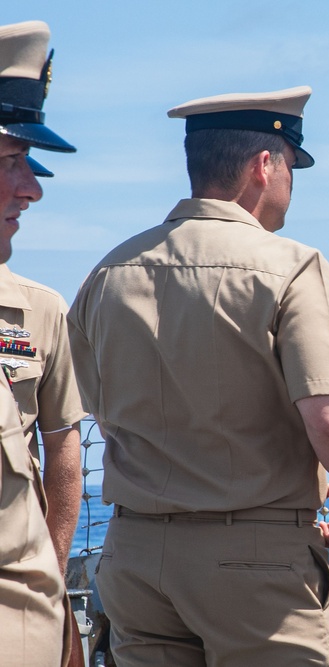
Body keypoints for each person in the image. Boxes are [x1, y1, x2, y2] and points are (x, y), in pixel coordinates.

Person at [67, 87, 329, 667]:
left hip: (135, 557)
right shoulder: (292, 269)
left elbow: (102, 415)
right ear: (266, 165)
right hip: (256, 563)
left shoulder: (107, 274)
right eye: (292, 166)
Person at [0, 19, 82, 667]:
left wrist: (54, 596)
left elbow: (63, 451)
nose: (30, 187)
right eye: (8, 161)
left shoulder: (41, 308)